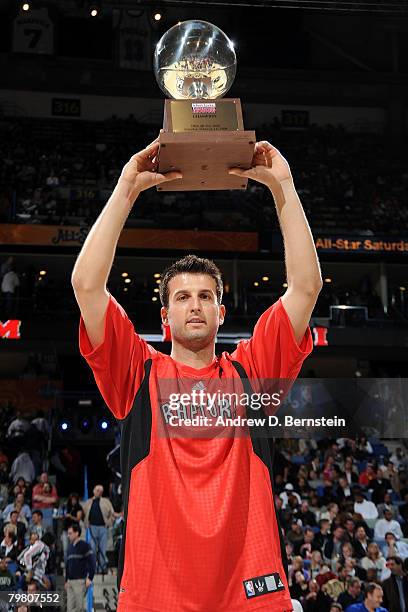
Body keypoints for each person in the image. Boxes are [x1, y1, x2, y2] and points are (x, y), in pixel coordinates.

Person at [72, 138, 322, 610]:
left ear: (222, 313)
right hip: (156, 596)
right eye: (183, 297)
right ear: (164, 316)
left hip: (252, 593)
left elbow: (306, 288)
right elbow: (86, 284)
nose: (195, 305)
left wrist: (283, 186)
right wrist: (127, 187)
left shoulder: (252, 372)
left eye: (206, 296)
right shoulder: (138, 373)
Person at [82, 485, 114, 573]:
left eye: (100, 490)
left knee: (102, 549)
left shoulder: (106, 502)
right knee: (92, 548)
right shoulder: (88, 502)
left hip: (103, 528)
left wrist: (109, 522)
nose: (99, 492)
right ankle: (93, 568)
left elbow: (112, 514)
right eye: (97, 490)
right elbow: (83, 514)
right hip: (92, 527)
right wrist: (86, 523)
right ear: (93, 491)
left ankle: (102, 568)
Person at [65, 523, 95, 611]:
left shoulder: (84, 545)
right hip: (70, 582)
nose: (68, 535)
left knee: (79, 608)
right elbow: (67, 565)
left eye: (70, 533)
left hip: (80, 581)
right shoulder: (69, 547)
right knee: (70, 609)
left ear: (77, 533)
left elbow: (92, 562)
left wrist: (90, 578)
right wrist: (66, 580)